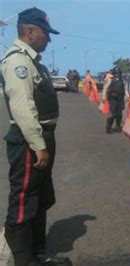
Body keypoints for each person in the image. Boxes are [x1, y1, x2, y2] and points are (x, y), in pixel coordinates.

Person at [1, 7, 71, 265]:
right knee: (24, 199)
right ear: (30, 31)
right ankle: (23, 258)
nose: (49, 39)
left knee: (41, 196)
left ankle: (38, 251)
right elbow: (22, 109)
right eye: (45, 33)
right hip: (29, 139)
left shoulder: (32, 61)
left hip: (41, 137)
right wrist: (38, 145)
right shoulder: (18, 62)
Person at [102, 67, 128, 134]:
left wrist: (127, 97)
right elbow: (105, 88)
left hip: (120, 98)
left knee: (119, 114)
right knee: (112, 114)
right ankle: (108, 128)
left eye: (118, 73)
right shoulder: (110, 80)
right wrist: (103, 97)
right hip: (112, 98)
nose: (117, 75)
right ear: (113, 74)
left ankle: (118, 126)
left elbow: (125, 89)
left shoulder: (123, 81)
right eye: (116, 73)